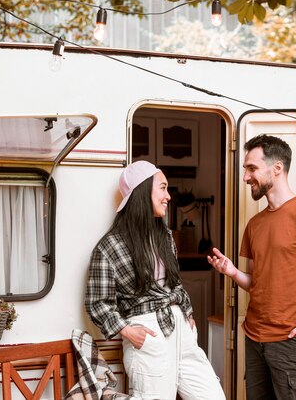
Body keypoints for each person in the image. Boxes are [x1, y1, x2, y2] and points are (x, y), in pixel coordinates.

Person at [208, 134, 296, 400]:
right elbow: (258, 284)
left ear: (277, 168)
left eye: (252, 168)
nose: (245, 177)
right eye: (245, 169)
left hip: (290, 342)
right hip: (254, 339)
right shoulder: (255, 225)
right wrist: (232, 272)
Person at [86, 161, 225, 400]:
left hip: (182, 331)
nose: (168, 196)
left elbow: (175, 283)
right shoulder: (110, 246)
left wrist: (188, 314)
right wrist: (127, 331)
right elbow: (98, 303)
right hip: (148, 337)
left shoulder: (165, 236)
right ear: (142, 192)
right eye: (163, 188)